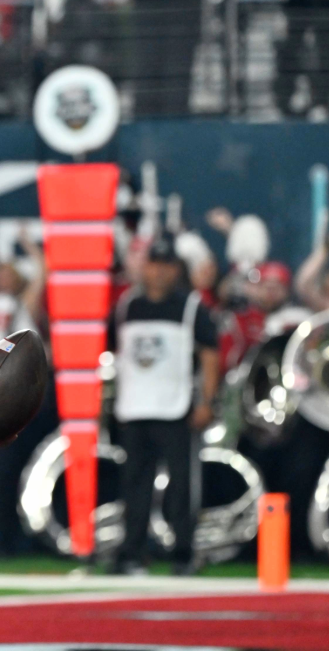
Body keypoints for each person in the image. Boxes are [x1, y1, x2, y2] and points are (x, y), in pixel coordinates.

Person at [108, 233, 220, 576]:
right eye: (153, 264)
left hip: (175, 407)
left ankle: (184, 553)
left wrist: (206, 400)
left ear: (176, 270)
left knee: (182, 486)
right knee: (134, 486)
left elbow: (210, 355)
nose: (158, 272)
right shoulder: (127, 306)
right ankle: (132, 552)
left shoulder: (190, 307)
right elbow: (115, 354)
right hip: (135, 407)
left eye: (165, 265)